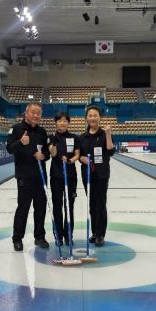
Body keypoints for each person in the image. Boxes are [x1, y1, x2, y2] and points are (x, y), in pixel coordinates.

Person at [6, 102, 51, 251]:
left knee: (41, 208)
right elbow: (9, 149)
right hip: (24, 176)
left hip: (40, 176)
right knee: (23, 208)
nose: (36, 115)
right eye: (33, 112)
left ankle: (39, 237)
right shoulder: (16, 129)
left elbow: (47, 153)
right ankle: (17, 238)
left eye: (38, 113)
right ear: (26, 113)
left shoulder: (42, 131)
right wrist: (20, 142)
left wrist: (43, 156)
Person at [79, 106, 115, 247]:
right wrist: (82, 159)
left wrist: (108, 134)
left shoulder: (105, 134)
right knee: (92, 204)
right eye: (90, 115)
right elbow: (78, 154)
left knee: (100, 204)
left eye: (95, 115)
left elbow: (111, 152)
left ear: (100, 118)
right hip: (87, 175)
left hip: (101, 175)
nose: (93, 118)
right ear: (86, 118)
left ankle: (100, 234)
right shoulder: (82, 137)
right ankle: (94, 232)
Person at [48, 111, 80, 246]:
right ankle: (58, 236)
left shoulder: (74, 137)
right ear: (56, 122)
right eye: (60, 120)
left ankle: (68, 235)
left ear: (68, 122)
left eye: (65, 121)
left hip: (70, 175)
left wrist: (70, 161)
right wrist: (54, 143)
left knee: (69, 206)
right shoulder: (51, 137)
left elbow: (77, 154)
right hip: (56, 176)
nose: (62, 123)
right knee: (57, 206)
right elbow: (53, 154)